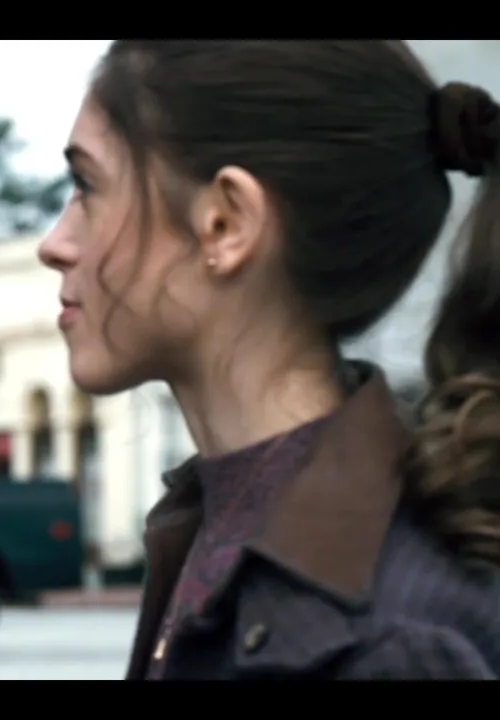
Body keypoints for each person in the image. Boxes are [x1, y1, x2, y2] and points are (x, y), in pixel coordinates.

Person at [37, 40, 500, 680]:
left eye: (87, 186)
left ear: (227, 224)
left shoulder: (393, 646)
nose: (54, 243)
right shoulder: (219, 527)